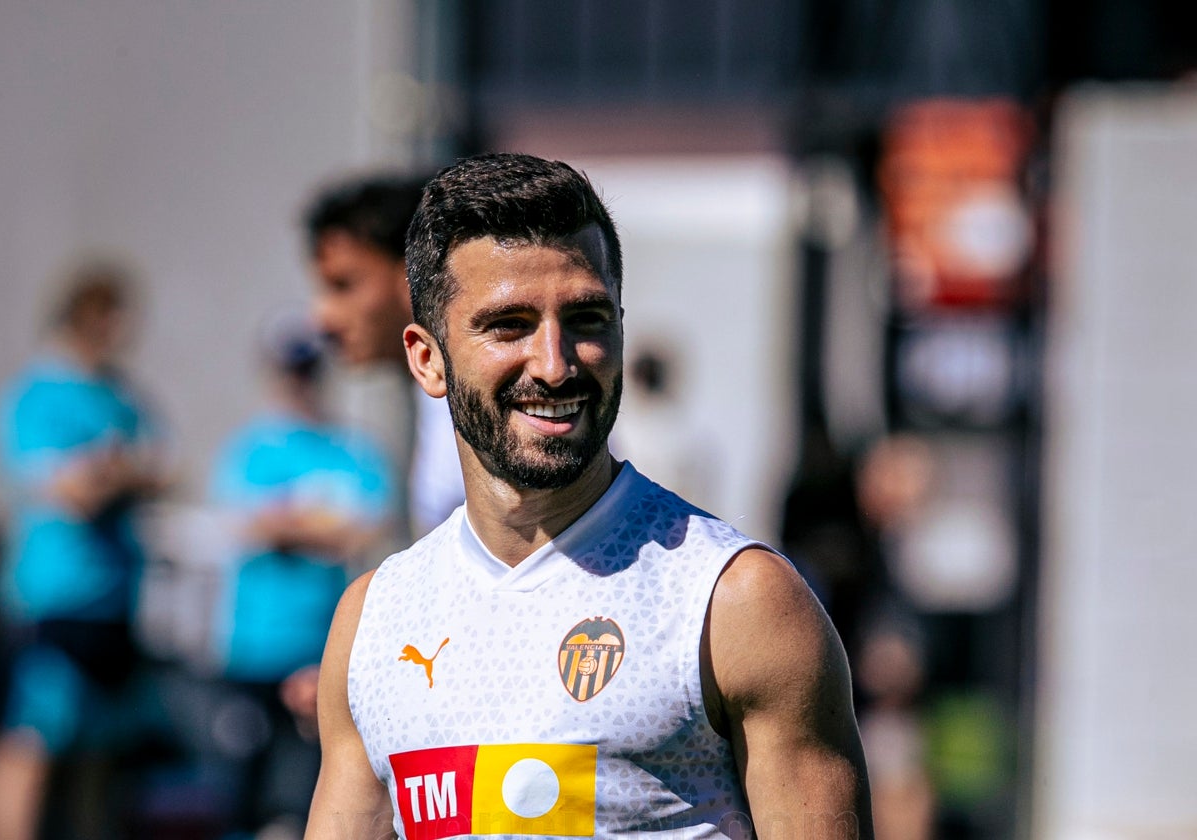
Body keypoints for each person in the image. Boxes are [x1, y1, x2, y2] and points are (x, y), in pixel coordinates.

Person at [304, 153, 873, 839]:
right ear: (427, 357)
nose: (554, 364)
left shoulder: (734, 600)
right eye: (508, 325)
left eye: (586, 319)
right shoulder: (375, 620)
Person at [0, 260, 168, 840]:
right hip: (55, 600)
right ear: (89, 316)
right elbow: (69, 491)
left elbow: (160, 472)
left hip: (114, 601)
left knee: (102, 749)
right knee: (35, 741)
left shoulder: (120, 395)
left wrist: (113, 474)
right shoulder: (38, 394)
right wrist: (113, 473)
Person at [208, 314, 394, 837]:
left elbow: (365, 530)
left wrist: (291, 524)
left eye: (308, 370)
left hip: (322, 648)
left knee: (313, 790)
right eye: (291, 371)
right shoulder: (251, 448)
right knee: (242, 790)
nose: (299, 382)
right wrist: (317, 524)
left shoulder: (351, 449)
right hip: (253, 649)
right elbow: (251, 526)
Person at [303, 173, 465, 539]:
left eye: (344, 285)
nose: (322, 317)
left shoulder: (481, 404)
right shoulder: (431, 400)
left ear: (413, 273)